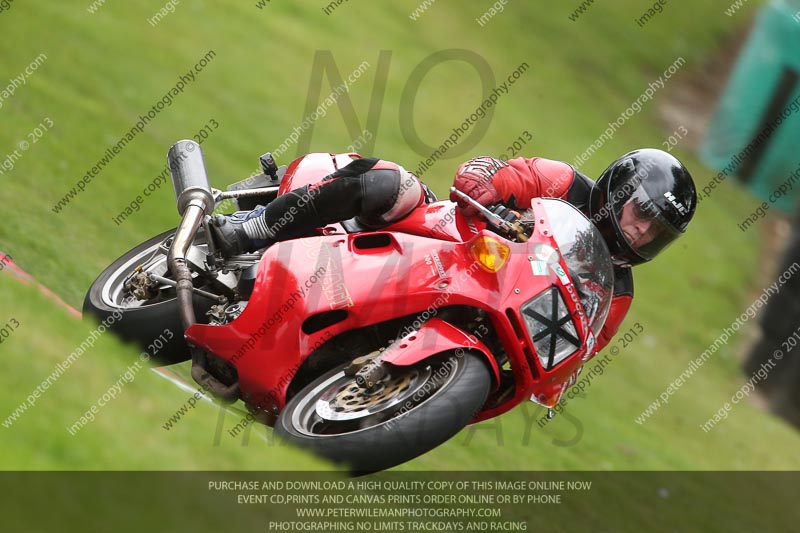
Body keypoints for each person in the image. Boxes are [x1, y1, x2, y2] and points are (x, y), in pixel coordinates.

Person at [209, 148, 697, 354]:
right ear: (619, 189)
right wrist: (481, 185)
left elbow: (583, 347)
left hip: (486, 312)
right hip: (444, 240)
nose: (641, 233)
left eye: (658, 233)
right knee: (390, 183)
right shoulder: (564, 183)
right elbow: (505, 172)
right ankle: (251, 229)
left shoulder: (620, 290)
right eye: (642, 214)